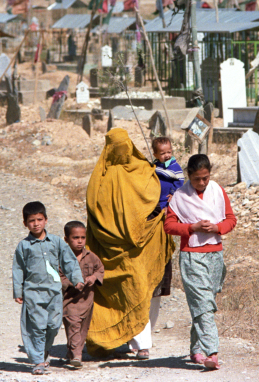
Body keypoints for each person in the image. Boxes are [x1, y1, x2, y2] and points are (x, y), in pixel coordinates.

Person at [85, 128, 175, 358]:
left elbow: (156, 195)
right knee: (129, 291)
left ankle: (143, 341)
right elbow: (95, 214)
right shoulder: (100, 179)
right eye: (116, 146)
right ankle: (135, 342)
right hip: (114, 250)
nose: (122, 151)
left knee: (149, 291)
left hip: (146, 243)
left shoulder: (144, 169)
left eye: (125, 145)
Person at [164, 154, 237, 370]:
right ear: (189, 176)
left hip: (215, 254)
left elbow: (230, 219)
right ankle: (212, 352)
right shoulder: (179, 196)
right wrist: (191, 228)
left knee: (205, 302)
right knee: (203, 304)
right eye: (197, 179)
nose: (202, 183)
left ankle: (196, 348)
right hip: (192, 255)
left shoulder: (217, 191)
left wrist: (217, 228)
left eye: (205, 178)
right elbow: (169, 226)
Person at [127, 137, 185, 359]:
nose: (167, 156)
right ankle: (137, 339)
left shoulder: (174, 168)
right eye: (162, 153)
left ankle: (144, 339)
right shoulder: (151, 168)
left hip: (163, 215)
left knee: (155, 287)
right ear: (155, 153)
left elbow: (179, 187)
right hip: (148, 215)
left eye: (169, 152)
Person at [12, 202, 84, 376]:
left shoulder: (57, 242)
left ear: (46, 220)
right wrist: (18, 291)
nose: (36, 224)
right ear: (25, 223)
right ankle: (38, 361)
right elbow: (18, 268)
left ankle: (44, 351)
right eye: (31, 221)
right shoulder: (24, 246)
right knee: (35, 327)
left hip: (54, 292)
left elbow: (69, 261)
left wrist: (77, 279)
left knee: (53, 325)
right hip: (32, 292)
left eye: (39, 219)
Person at [60, 221, 104, 369]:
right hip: (69, 300)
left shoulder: (91, 257)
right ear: (66, 239)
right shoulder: (62, 258)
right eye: (75, 237)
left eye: (82, 237)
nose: (80, 241)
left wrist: (93, 278)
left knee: (82, 328)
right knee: (73, 324)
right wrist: (72, 282)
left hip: (86, 300)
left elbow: (100, 269)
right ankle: (77, 355)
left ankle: (71, 352)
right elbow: (57, 276)